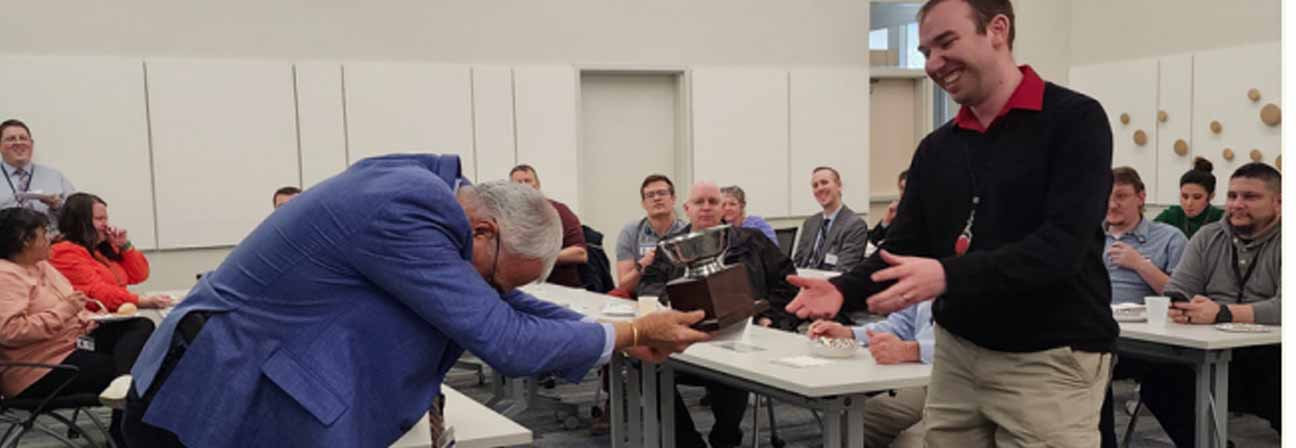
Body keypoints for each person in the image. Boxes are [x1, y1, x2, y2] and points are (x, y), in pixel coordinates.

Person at [121, 155, 711, 447]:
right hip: (210, 397)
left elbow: (503, 307)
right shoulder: (409, 210)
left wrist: (623, 331)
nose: (499, 294)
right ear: (484, 232)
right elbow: (503, 337)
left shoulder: (442, 211)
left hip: (249, 388)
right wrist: (635, 333)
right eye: (501, 280)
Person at [784, 0, 1118, 445]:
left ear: (997, 30)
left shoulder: (1074, 120)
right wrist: (844, 289)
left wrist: (946, 275)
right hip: (957, 353)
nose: (933, 64)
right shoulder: (937, 148)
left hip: (1048, 357)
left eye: (946, 43)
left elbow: (1062, 247)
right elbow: (903, 246)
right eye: (925, 52)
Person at [639, 181, 801, 448]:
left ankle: (725, 439)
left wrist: (768, 315)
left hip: (739, 339)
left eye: (713, 202)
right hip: (685, 339)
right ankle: (687, 442)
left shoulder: (751, 241)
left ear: (723, 208)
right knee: (642, 363)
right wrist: (671, 301)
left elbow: (788, 282)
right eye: (699, 202)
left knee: (731, 368)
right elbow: (649, 284)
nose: (706, 207)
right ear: (687, 208)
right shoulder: (670, 247)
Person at [1139, 162, 1281, 447]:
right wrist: (1182, 307)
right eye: (1232, 196)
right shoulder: (1208, 236)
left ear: (1278, 202)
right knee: (1159, 382)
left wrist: (1222, 312)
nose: (1237, 204)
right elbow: (1178, 289)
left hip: (1273, 354)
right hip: (1214, 351)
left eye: (1250, 197)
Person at [0, 207, 155, 446]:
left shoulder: (42, 265)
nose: (50, 238)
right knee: (144, 373)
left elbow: (73, 300)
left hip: (73, 343)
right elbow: (10, 331)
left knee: (140, 326)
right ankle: (124, 426)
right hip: (41, 367)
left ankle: (123, 386)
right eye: (43, 233)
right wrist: (65, 311)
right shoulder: (6, 276)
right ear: (25, 240)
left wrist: (86, 317)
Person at [807, 301, 934, 448]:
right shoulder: (924, 289)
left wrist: (912, 351)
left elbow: (958, 348)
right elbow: (900, 325)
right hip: (927, 381)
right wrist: (849, 334)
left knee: (910, 443)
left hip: (956, 385)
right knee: (849, 428)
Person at [49, 193, 171, 312]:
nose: (106, 225)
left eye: (106, 218)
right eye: (99, 219)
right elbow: (96, 292)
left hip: (114, 312)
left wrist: (125, 246)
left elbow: (139, 275)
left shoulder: (101, 247)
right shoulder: (63, 252)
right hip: (90, 318)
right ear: (80, 222)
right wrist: (141, 301)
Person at [1103, 167, 1186, 304]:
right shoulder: (1088, 237)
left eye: (1121, 196)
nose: (1112, 205)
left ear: (1141, 198)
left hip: (1145, 317)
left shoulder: (1171, 238)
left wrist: (1140, 265)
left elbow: (1183, 296)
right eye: (1106, 196)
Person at [509, 164, 588, 288]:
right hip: (522, 287)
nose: (524, 186)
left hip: (560, 288)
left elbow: (580, 253)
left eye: (528, 181)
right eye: (518, 183)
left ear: (537, 185)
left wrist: (541, 260)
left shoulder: (559, 212)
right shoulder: (507, 217)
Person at [615, 174, 689, 295]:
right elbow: (624, 286)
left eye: (662, 193)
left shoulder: (687, 232)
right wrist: (643, 265)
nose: (656, 198)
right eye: (650, 195)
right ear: (643, 204)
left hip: (680, 298)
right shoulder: (630, 232)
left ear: (673, 199)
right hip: (641, 300)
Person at [792, 166, 869, 272]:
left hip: (830, 280)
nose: (819, 188)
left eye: (824, 182)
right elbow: (798, 262)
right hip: (802, 279)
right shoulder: (810, 223)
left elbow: (843, 269)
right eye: (815, 185)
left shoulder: (855, 225)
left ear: (839, 186)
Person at [0, 119, 75, 227]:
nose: (19, 143)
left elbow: (77, 216)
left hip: (50, 236)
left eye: (23, 138)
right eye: (11, 139)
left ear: (31, 144)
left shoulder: (55, 177)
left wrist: (57, 206)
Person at [1154, 157, 1225, 239]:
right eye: (1184, 196)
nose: (1189, 203)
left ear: (1211, 196)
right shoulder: (1171, 215)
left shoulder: (1221, 219)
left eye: (1197, 197)